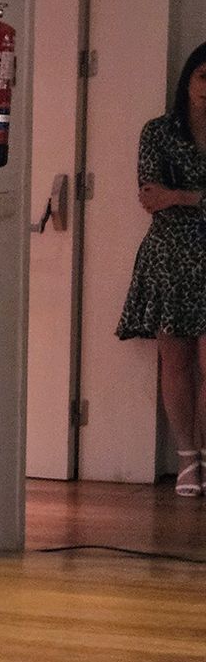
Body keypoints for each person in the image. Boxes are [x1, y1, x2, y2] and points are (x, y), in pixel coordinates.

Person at [117, 40, 206, 496]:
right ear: (188, 80)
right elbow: (151, 197)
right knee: (175, 361)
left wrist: (181, 196)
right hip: (171, 257)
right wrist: (182, 199)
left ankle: (204, 455)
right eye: (203, 77)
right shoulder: (159, 131)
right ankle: (188, 458)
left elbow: (167, 196)